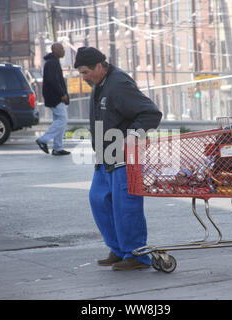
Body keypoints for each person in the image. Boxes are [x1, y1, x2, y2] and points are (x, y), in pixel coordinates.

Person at [74, 47, 162, 271]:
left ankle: (137, 255)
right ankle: (119, 249)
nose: (83, 78)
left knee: (126, 206)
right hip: (105, 155)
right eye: (80, 73)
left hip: (124, 156)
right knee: (99, 200)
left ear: (100, 67)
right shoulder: (99, 84)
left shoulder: (119, 84)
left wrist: (132, 135)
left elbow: (150, 113)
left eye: (85, 72)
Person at [36, 42, 71, 156]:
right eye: (61, 48)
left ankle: (57, 148)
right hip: (55, 97)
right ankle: (43, 140)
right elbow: (53, 80)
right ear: (54, 50)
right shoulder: (52, 63)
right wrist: (62, 94)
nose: (63, 50)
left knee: (59, 120)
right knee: (62, 120)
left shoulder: (53, 61)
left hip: (54, 96)